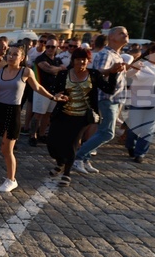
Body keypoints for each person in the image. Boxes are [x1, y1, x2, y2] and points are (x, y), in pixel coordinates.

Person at [0, 46, 62, 192]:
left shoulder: (26, 72)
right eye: (9, 54)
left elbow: (37, 87)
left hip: (12, 112)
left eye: (15, 54)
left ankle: (11, 179)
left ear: (22, 58)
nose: (11, 56)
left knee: (6, 149)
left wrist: (53, 97)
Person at [46, 48, 120, 186]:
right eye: (79, 59)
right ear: (73, 60)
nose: (81, 62)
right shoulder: (63, 74)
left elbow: (109, 89)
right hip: (62, 113)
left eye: (84, 59)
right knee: (52, 143)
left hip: (82, 117)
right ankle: (60, 162)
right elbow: (54, 89)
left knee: (72, 144)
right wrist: (57, 95)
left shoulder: (94, 74)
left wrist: (113, 74)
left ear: (88, 61)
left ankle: (66, 174)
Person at [71, 26, 132, 174]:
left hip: (114, 98)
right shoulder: (106, 54)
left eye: (126, 33)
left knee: (103, 131)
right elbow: (97, 73)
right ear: (111, 37)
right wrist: (111, 70)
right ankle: (79, 157)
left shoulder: (117, 55)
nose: (125, 35)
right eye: (121, 33)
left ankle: (85, 159)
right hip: (106, 98)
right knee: (107, 132)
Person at [124, 43, 155, 163]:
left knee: (148, 129)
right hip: (139, 102)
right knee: (134, 129)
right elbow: (127, 75)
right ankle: (130, 145)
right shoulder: (142, 64)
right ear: (151, 52)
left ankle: (140, 153)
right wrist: (135, 68)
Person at [28, 37, 65, 147]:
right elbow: (49, 69)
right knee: (38, 114)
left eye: (52, 47)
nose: (49, 48)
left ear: (57, 47)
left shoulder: (57, 60)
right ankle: (32, 136)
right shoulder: (40, 58)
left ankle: (42, 134)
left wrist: (57, 68)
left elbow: (62, 69)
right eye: (47, 46)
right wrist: (59, 68)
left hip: (54, 91)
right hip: (42, 90)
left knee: (48, 115)